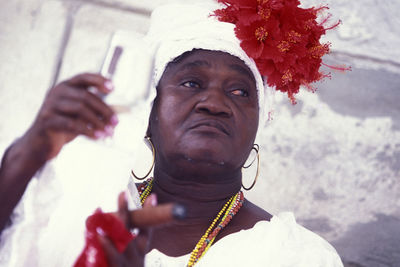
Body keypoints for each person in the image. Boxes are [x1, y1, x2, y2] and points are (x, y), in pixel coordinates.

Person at [0, 1, 345, 266]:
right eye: (191, 82)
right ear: (149, 111)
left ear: (259, 124)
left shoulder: (297, 256)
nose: (214, 103)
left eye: (240, 91)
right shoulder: (73, 204)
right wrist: (28, 153)